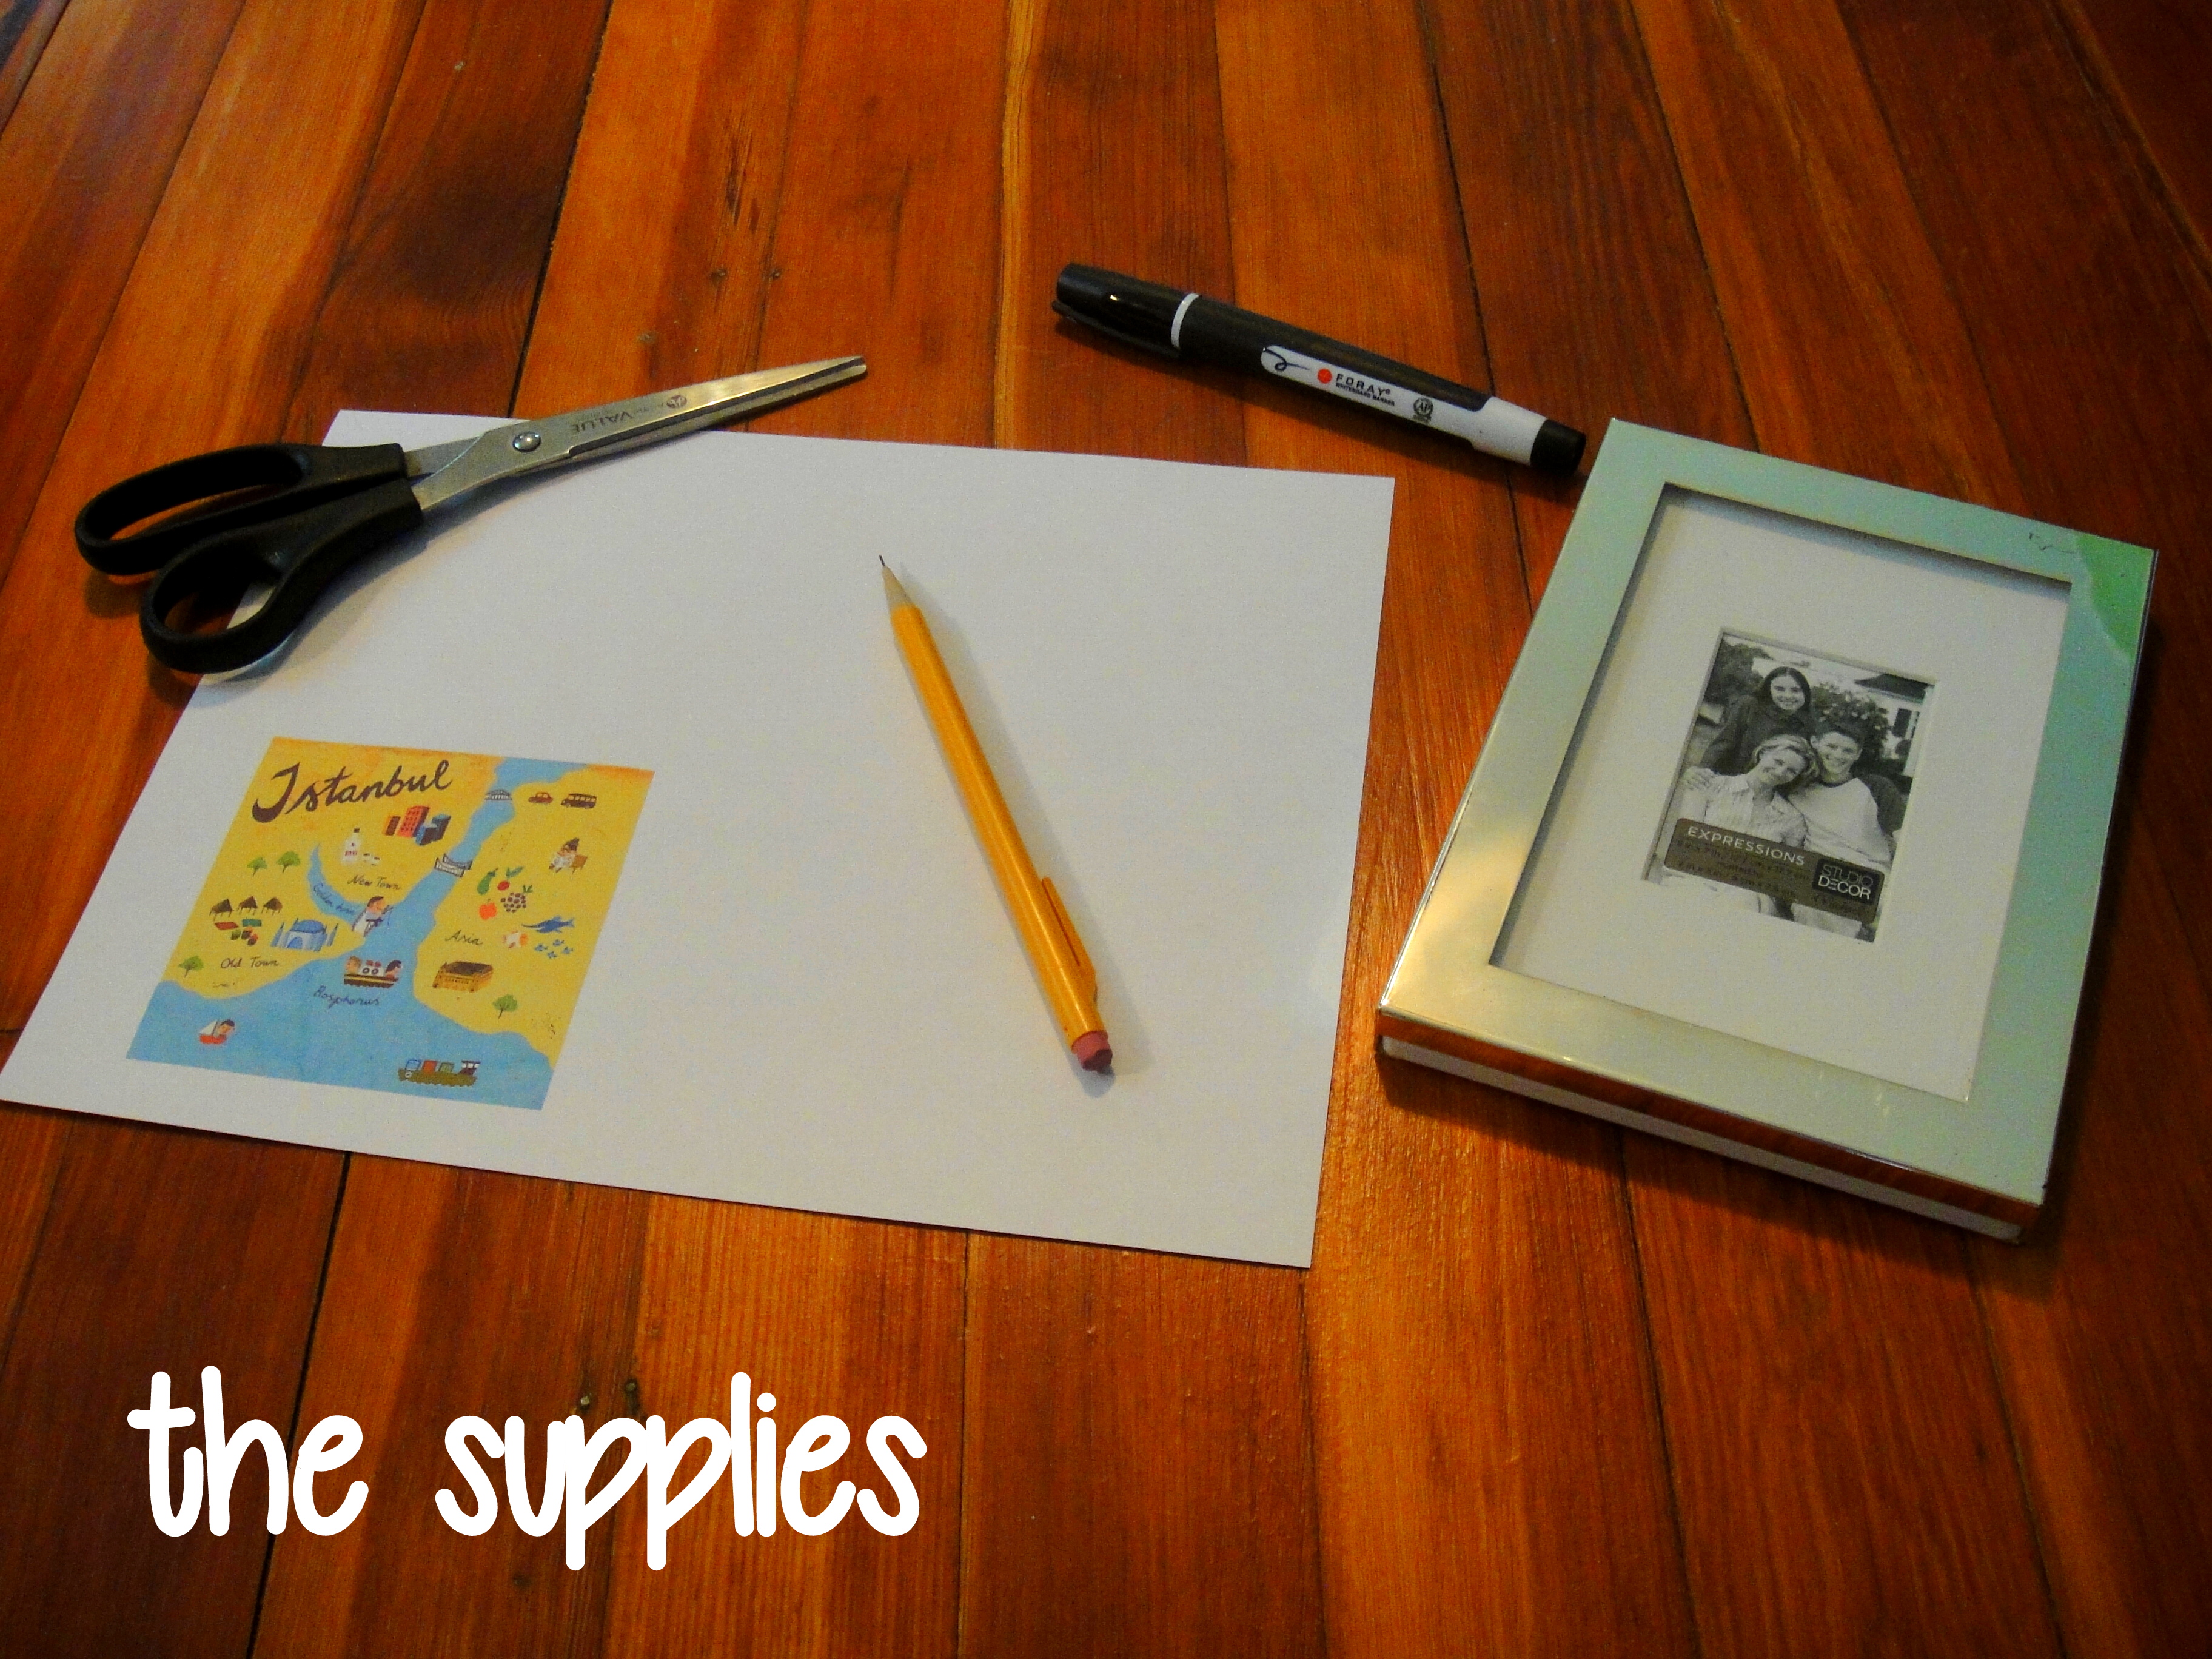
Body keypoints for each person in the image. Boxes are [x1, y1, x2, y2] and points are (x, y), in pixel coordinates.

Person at [1656, 733, 1815, 914]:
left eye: (1792, 771)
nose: (1780, 772)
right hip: (1693, 879)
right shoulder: (1709, 785)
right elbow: (1686, 845)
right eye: (1778, 762)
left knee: (1740, 901)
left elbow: (1785, 875)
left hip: (1749, 894)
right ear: (1763, 753)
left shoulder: (1791, 819)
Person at [1788, 719, 1899, 937]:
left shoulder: (1877, 787)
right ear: (1815, 743)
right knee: (1811, 906)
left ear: (1858, 755)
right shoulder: (1794, 786)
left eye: (1848, 751)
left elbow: (1904, 838)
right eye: (1831, 746)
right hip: (1822, 874)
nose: (1838, 755)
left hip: (1871, 876)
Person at [1696, 665, 1815, 776]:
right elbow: (1724, 743)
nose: (1788, 696)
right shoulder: (1750, 705)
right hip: (1734, 779)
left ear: (1805, 693)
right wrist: (1703, 771)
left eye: (1795, 690)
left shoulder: (1806, 724)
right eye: (1780, 689)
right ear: (1769, 690)